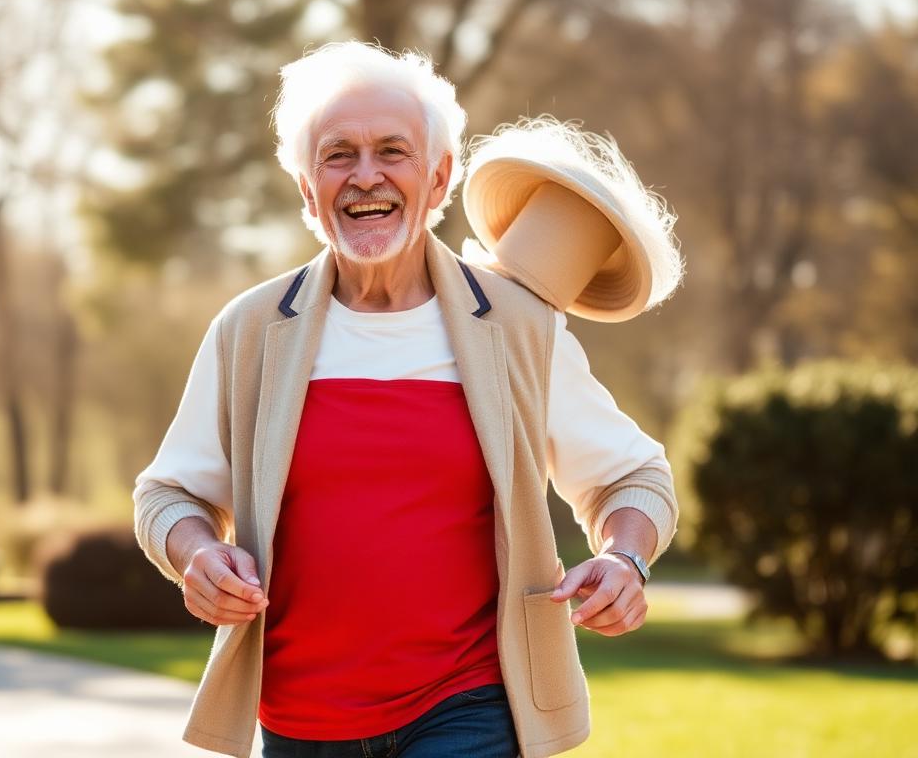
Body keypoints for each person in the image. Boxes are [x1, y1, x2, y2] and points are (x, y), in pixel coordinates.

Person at [132, 41, 683, 758]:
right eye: (338, 156)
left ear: (438, 177)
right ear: (306, 188)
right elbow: (167, 495)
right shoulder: (252, 331)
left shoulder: (517, 329)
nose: (366, 176)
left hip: (468, 706)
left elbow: (634, 479)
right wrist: (196, 553)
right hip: (300, 720)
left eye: (393, 151)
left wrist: (624, 560)